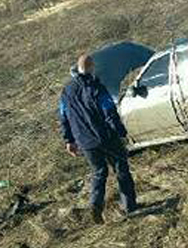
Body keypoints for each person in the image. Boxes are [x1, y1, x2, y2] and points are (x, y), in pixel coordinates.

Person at [59, 53, 138, 223]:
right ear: (91, 68)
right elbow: (109, 112)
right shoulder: (97, 88)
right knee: (121, 168)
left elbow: (64, 117)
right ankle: (129, 206)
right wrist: (121, 133)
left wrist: (69, 140)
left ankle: (95, 204)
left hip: (85, 142)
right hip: (106, 138)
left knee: (99, 172)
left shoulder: (66, 91)